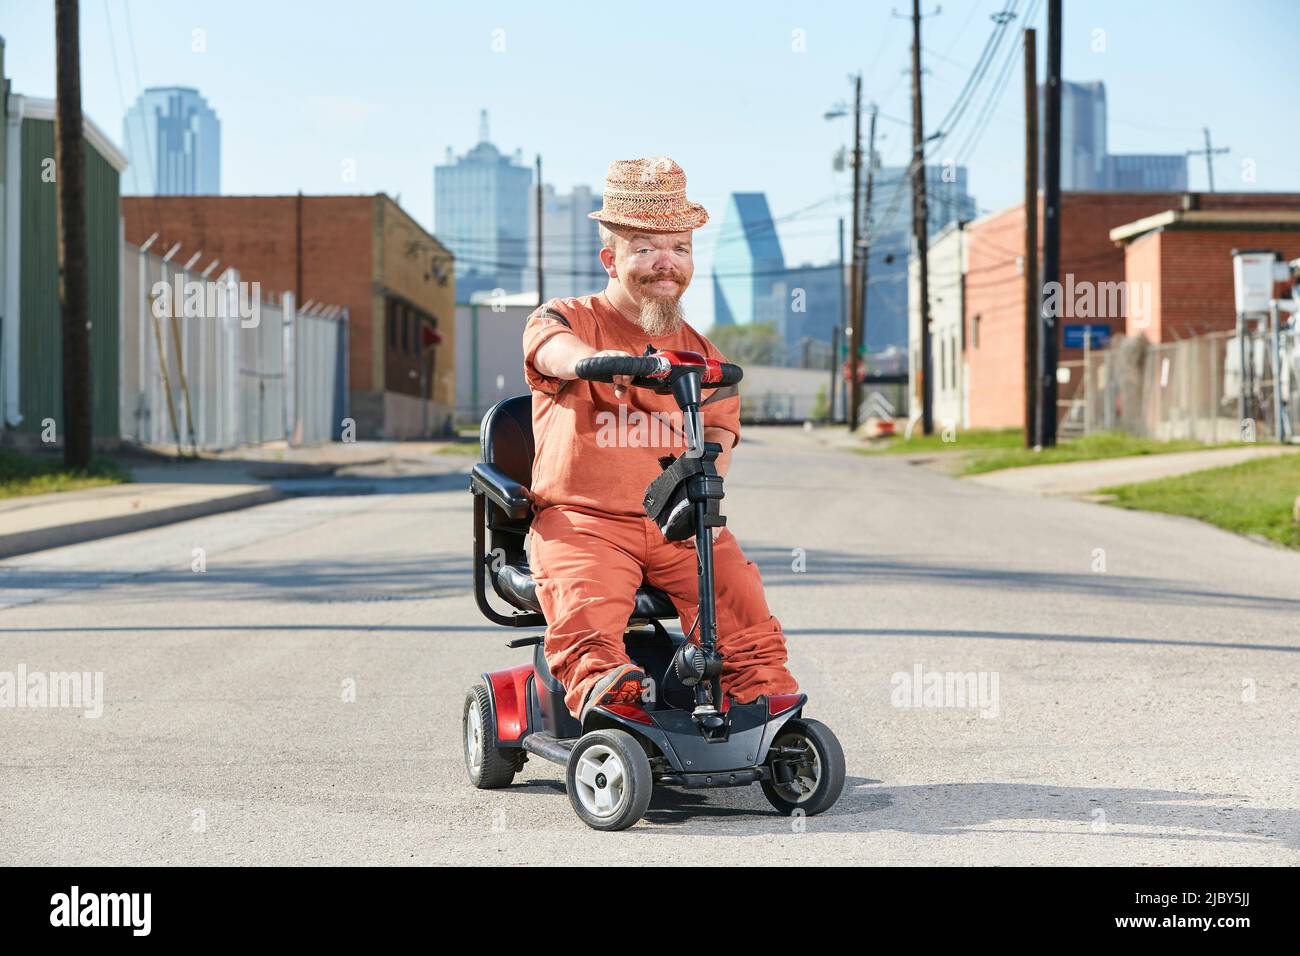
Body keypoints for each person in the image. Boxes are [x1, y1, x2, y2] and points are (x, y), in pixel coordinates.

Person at [522, 156, 799, 721]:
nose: (665, 263)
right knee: (587, 602)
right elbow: (551, 351)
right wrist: (596, 363)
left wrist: (709, 471)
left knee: (737, 595)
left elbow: (720, 423)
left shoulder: (703, 355)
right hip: (585, 520)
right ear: (611, 258)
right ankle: (608, 693)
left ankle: (762, 700)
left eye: (679, 248)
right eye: (645, 248)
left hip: (674, 522)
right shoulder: (568, 319)